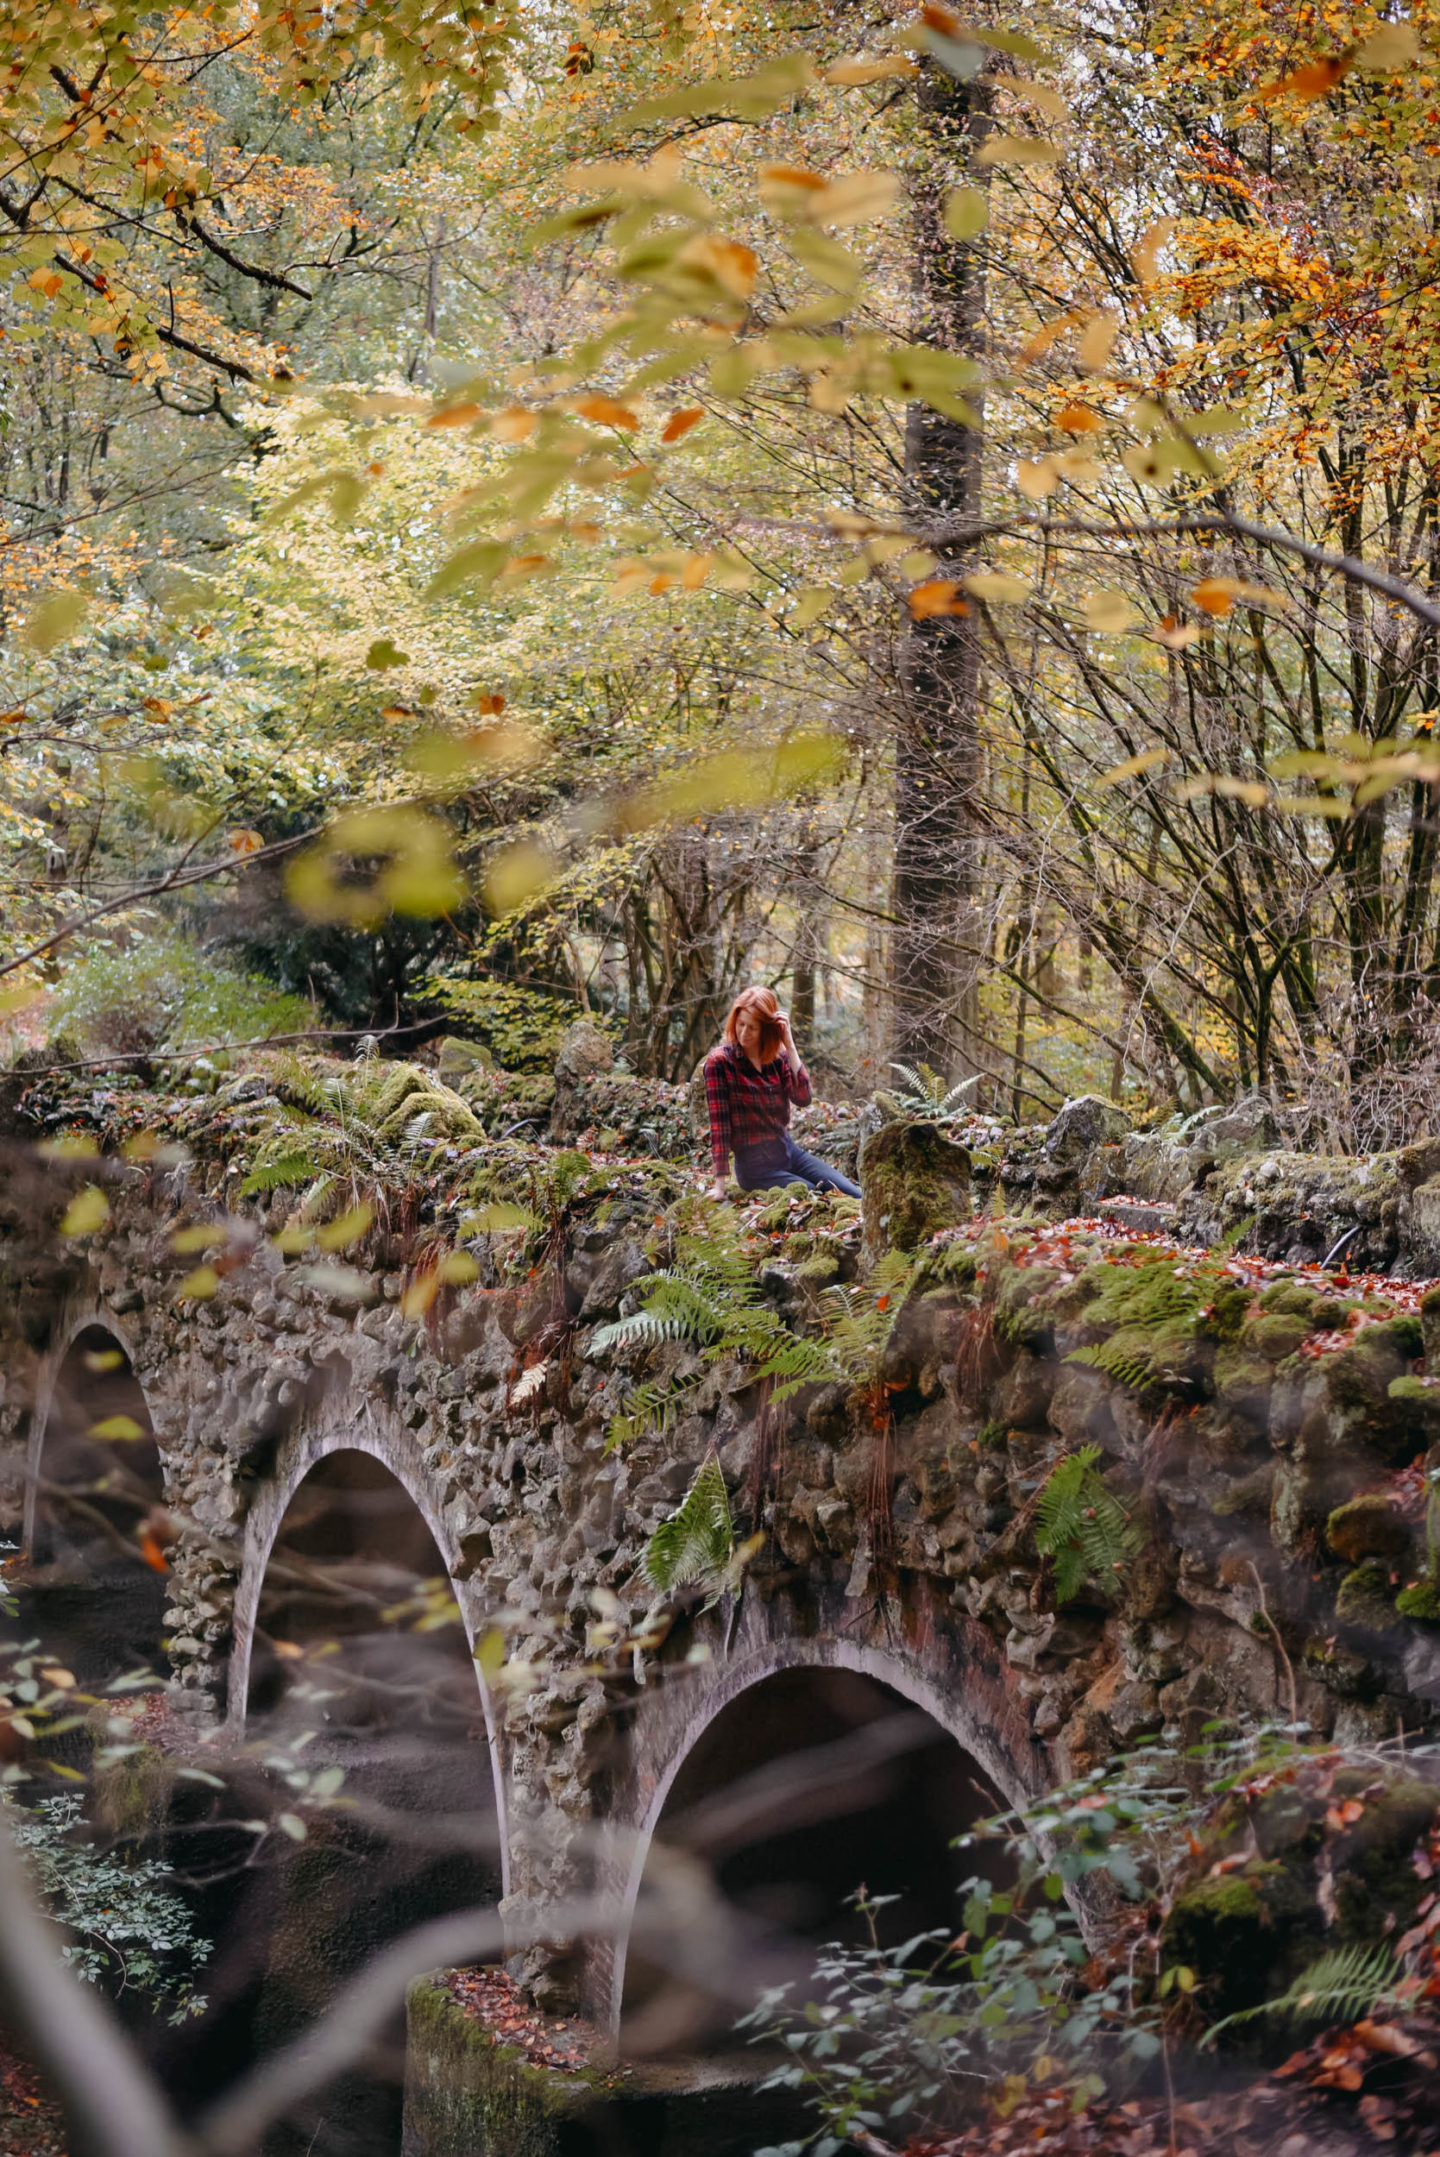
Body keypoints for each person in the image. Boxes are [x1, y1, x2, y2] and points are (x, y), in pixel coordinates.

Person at [704, 987, 861, 1200]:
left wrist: (789, 1044)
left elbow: (803, 1098)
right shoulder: (719, 1062)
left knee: (853, 1194)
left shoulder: (777, 1057)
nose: (743, 1033)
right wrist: (720, 1186)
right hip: (755, 1168)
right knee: (818, 1198)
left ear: (766, 1029)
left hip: (789, 1152)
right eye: (740, 1024)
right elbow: (719, 1126)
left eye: (752, 1028)